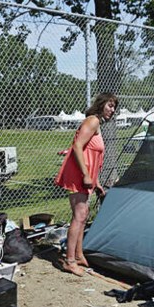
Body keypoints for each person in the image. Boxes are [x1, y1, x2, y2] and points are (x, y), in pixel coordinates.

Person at [53, 93, 118, 276]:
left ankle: (79, 255)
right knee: (79, 215)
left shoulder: (96, 123)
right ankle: (69, 260)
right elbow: (77, 146)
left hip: (87, 175)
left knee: (83, 214)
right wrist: (85, 175)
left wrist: (95, 180)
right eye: (110, 106)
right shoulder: (93, 121)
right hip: (80, 175)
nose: (112, 110)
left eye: (114, 107)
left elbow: (91, 153)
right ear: (101, 104)